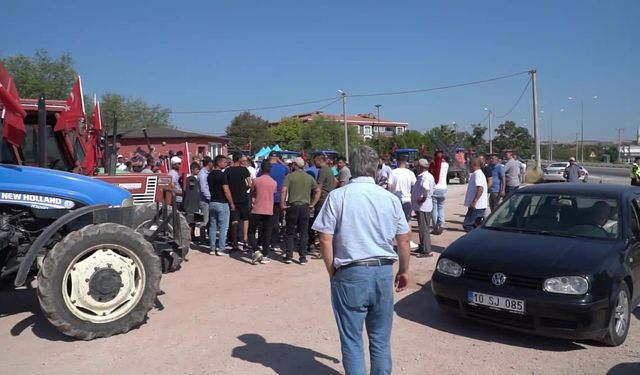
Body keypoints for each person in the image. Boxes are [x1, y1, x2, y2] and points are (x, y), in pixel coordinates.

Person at [312, 145, 411, 375]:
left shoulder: (338, 196)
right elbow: (404, 240)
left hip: (350, 272)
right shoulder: (389, 198)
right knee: (380, 338)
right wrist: (404, 270)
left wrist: (332, 272)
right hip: (382, 272)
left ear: (351, 167)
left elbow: (325, 239)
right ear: (376, 167)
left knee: (352, 340)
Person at [280, 157, 321, 265]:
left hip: (292, 206)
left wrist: (282, 204)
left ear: (295, 165)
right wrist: (313, 203)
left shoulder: (290, 176)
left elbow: (284, 190)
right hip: (305, 207)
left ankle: (288, 256)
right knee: (303, 232)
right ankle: (302, 257)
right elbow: (317, 190)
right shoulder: (309, 177)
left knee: (289, 232)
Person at [387, 155, 419, 249]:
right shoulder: (410, 173)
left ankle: (390, 243)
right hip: (407, 200)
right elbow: (415, 187)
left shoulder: (393, 172)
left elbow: (389, 186)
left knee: (393, 222)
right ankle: (409, 241)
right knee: (407, 222)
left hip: (395, 201)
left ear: (397, 162)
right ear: (406, 163)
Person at [249, 161, 277, 264]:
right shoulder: (274, 182)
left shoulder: (256, 181)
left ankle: (256, 250)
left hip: (257, 209)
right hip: (269, 210)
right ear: (270, 170)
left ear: (261, 168)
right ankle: (265, 254)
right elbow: (273, 194)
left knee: (251, 231)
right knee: (267, 233)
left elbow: (252, 192)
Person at [260, 151, 289, 250]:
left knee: (263, 220)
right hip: (277, 198)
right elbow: (288, 169)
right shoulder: (282, 168)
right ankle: (274, 242)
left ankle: (263, 241)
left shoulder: (264, 168)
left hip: (264, 197)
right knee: (275, 221)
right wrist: (280, 161)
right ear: (277, 158)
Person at [208, 155, 235, 256]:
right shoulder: (222, 175)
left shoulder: (209, 175)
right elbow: (226, 190)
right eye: (224, 162)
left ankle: (212, 248)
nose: (226, 163)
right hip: (222, 202)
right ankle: (221, 248)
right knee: (223, 227)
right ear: (218, 163)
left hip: (212, 201)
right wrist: (231, 202)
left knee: (212, 226)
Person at [309, 155, 337, 254]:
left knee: (318, 224)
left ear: (320, 160)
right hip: (328, 198)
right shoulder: (329, 170)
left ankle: (321, 248)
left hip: (322, 200)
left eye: (315, 161)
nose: (314, 163)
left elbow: (318, 189)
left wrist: (313, 203)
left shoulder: (322, 171)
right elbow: (335, 183)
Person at [225, 152, 252, 251]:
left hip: (232, 198)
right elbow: (249, 183)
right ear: (240, 159)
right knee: (245, 219)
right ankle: (245, 240)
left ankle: (234, 242)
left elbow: (226, 185)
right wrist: (244, 188)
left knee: (234, 220)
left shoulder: (228, 171)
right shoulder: (244, 170)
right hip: (243, 197)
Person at [411, 159, 435, 257]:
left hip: (423, 207)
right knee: (422, 228)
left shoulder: (424, 177)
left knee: (424, 229)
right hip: (423, 207)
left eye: (417, 167)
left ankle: (426, 250)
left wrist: (423, 199)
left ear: (421, 167)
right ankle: (423, 247)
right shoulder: (427, 176)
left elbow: (426, 188)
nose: (416, 169)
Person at [463, 158, 488, 232]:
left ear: (473, 164)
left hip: (477, 206)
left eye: (469, 165)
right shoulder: (478, 174)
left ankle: (472, 241)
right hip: (478, 205)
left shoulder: (478, 174)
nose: (469, 167)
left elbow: (480, 188)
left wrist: (474, 201)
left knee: (468, 224)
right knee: (477, 225)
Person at [429, 151, 448, 235]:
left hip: (435, 188)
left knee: (434, 208)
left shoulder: (434, 164)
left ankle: (435, 226)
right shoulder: (446, 165)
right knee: (441, 207)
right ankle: (441, 224)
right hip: (443, 188)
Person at [197, 157, 213, 244]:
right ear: (209, 163)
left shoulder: (207, 173)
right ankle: (203, 239)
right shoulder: (202, 174)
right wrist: (210, 198)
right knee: (204, 220)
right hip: (204, 200)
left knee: (208, 220)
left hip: (206, 200)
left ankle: (208, 237)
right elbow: (203, 189)